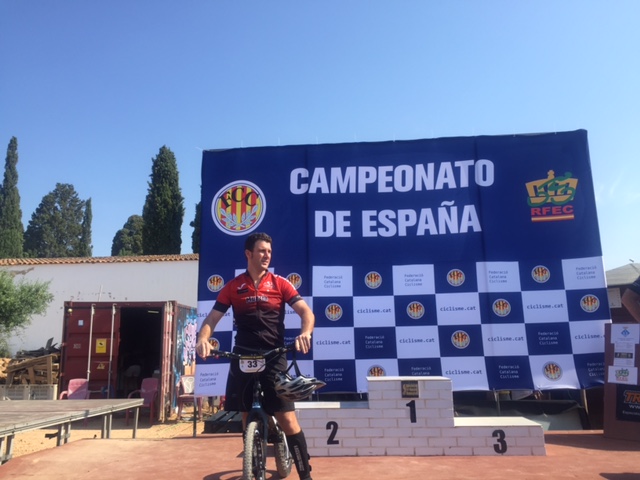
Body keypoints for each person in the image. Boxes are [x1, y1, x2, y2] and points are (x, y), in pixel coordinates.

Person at [196, 232, 315, 480]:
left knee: (287, 419)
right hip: (243, 356)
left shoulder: (280, 283)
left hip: (274, 355)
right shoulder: (233, 286)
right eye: (261, 251)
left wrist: (305, 333)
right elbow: (212, 318)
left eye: (269, 252)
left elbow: (306, 312)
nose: (267, 255)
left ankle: (306, 475)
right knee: (245, 413)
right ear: (248, 254)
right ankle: (252, 462)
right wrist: (203, 339)